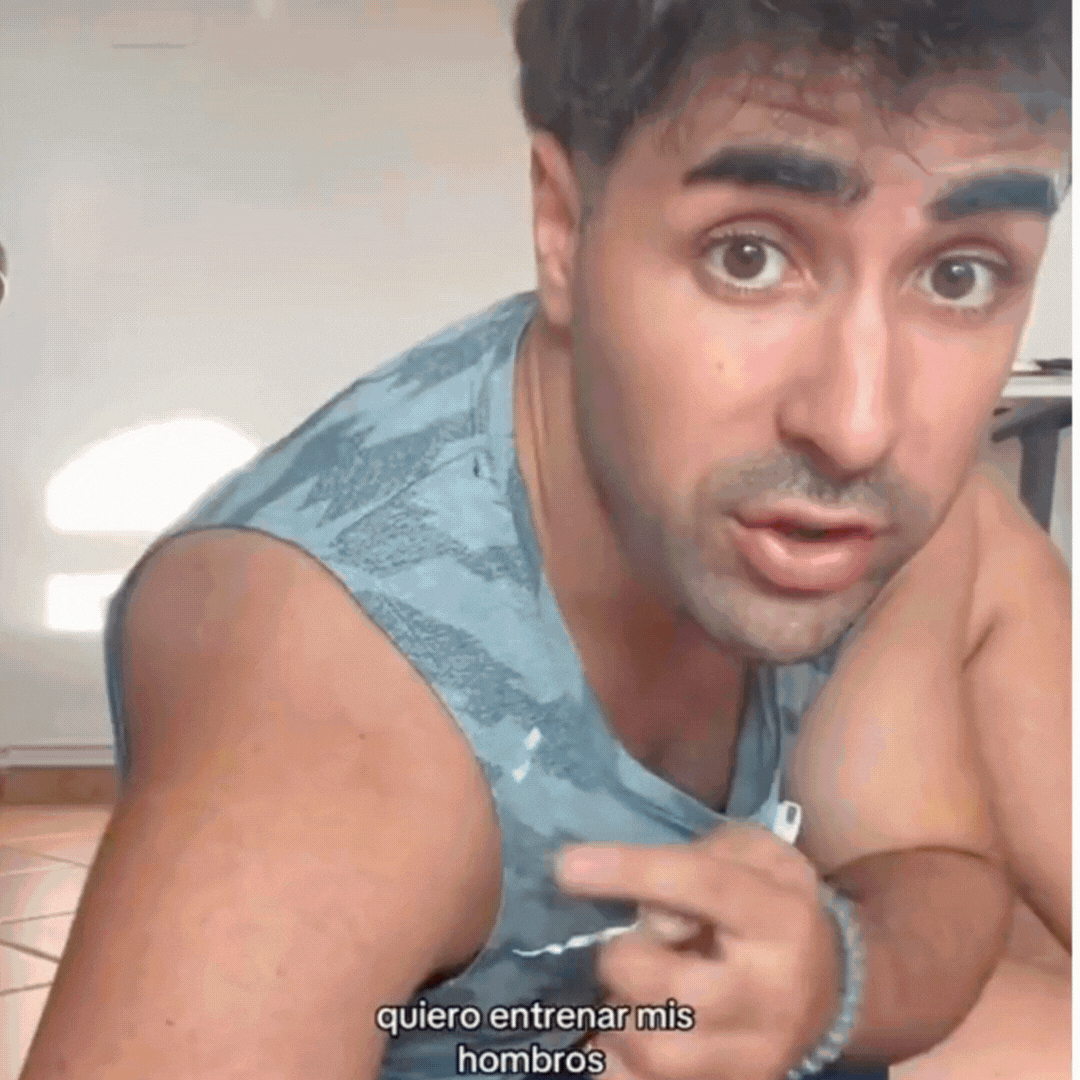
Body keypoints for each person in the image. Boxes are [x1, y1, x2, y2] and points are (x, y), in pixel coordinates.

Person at [18, 1, 1070, 1079]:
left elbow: (923, 860)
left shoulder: (864, 510)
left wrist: (832, 984)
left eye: (959, 274)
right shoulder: (344, 704)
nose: (858, 426)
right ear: (564, 230)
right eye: (748, 256)